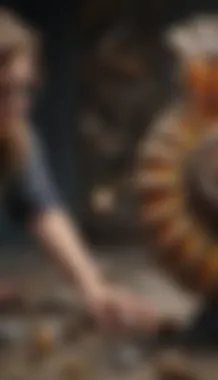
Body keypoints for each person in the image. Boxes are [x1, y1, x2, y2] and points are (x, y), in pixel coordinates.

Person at [0, 8, 156, 332]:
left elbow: (41, 206)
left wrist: (93, 287)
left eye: (24, 89)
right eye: (3, 92)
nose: (17, 106)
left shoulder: (15, 135)